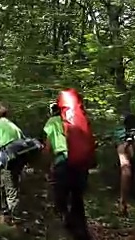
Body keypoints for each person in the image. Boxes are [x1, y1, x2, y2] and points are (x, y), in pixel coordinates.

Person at [43, 102, 92, 240]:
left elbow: (48, 147)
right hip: (79, 164)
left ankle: (67, 227)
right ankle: (82, 232)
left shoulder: (52, 122)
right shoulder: (74, 121)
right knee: (77, 199)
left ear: (53, 111)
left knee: (60, 198)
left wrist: (46, 167)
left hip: (62, 163)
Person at [0, 102, 28, 223]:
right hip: (20, 157)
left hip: (8, 157)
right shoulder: (14, 126)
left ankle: (17, 220)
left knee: (10, 187)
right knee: (6, 182)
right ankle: (6, 213)